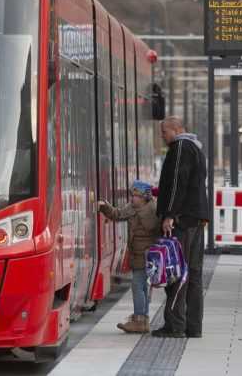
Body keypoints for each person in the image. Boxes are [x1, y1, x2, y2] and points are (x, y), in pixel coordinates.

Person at [152, 116, 209, 338]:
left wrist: (170, 214)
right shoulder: (196, 149)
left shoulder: (180, 148)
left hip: (182, 221)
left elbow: (177, 183)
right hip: (196, 219)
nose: (163, 137)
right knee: (194, 274)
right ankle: (193, 327)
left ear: (176, 130)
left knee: (177, 272)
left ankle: (175, 325)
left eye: (164, 133)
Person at [98, 180, 160, 334]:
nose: (133, 199)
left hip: (146, 254)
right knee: (142, 286)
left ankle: (140, 319)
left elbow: (152, 228)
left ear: (145, 197)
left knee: (137, 285)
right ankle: (142, 318)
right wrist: (105, 207)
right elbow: (117, 214)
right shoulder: (135, 207)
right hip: (139, 253)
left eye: (136, 196)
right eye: (132, 195)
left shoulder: (151, 209)